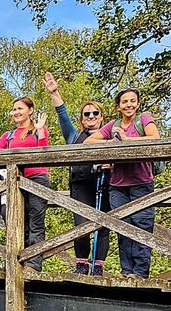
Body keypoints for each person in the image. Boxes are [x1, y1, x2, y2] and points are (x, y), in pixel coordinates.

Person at [84, 88, 160, 279]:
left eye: (132, 101)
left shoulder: (143, 119)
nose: (129, 105)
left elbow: (155, 139)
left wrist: (127, 140)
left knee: (142, 226)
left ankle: (140, 273)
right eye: (124, 102)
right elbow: (88, 142)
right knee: (122, 227)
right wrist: (110, 143)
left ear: (138, 104)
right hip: (117, 184)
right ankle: (126, 271)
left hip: (141, 182)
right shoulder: (113, 125)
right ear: (118, 106)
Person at [44, 72, 110, 275]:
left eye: (95, 114)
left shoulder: (112, 134)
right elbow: (62, 115)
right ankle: (81, 264)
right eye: (86, 115)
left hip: (105, 183)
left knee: (104, 225)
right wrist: (54, 92)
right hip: (81, 184)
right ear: (81, 120)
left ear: (102, 118)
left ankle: (98, 266)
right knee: (81, 225)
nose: (91, 117)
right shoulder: (74, 136)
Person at [0, 98, 52, 271]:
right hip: (14, 182)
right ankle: (18, 262)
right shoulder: (9, 135)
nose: (16, 112)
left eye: (20, 108)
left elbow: (44, 153)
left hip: (37, 178)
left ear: (30, 110)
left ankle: (33, 263)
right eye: (14, 109)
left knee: (36, 221)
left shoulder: (39, 129)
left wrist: (40, 131)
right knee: (17, 222)